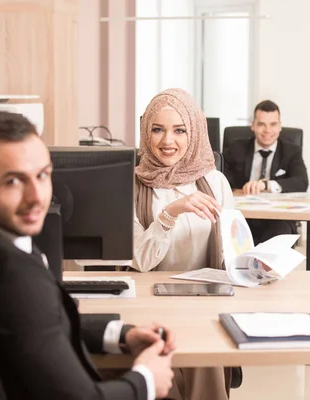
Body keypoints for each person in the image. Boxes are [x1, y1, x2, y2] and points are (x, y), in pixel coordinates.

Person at [0, 111, 175, 400]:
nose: (38, 196)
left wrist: (120, 334)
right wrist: (147, 381)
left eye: (43, 175)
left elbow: (34, 328)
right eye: (13, 181)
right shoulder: (13, 276)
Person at [133, 88, 234, 400]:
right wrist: (170, 212)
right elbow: (140, 260)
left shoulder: (214, 181)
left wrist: (254, 263)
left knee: (206, 359)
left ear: (195, 133)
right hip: (150, 306)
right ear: (145, 131)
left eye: (179, 130)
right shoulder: (132, 184)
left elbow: (234, 248)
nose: (167, 141)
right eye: (157, 129)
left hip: (205, 302)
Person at [223, 100, 308, 245]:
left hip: (276, 218)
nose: (267, 130)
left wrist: (266, 185)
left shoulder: (291, 151)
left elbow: (301, 181)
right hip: (243, 216)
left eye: (273, 124)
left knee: (279, 233)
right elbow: (221, 173)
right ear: (253, 125)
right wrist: (240, 187)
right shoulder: (237, 147)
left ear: (280, 126)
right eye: (262, 124)